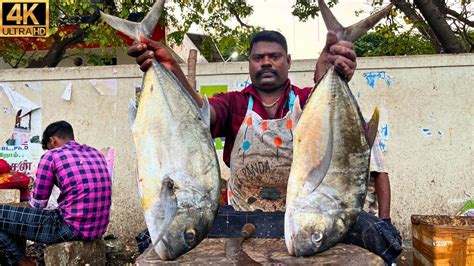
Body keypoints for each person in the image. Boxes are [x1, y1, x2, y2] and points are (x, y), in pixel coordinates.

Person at [128, 30, 401, 263]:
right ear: (249, 63)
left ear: (289, 61)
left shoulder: (309, 101)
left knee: (379, 233)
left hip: (304, 218)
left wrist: (327, 77)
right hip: (243, 217)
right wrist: (171, 69)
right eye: (258, 58)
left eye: (275, 56)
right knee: (160, 236)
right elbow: (201, 118)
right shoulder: (233, 103)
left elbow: (351, 147)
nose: (266, 63)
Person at [0, 121, 112, 266]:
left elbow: (38, 204)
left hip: (70, 227)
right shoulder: (96, 153)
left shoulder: (52, 156)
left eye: (47, 148)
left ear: (52, 141)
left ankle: (24, 262)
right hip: (98, 228)